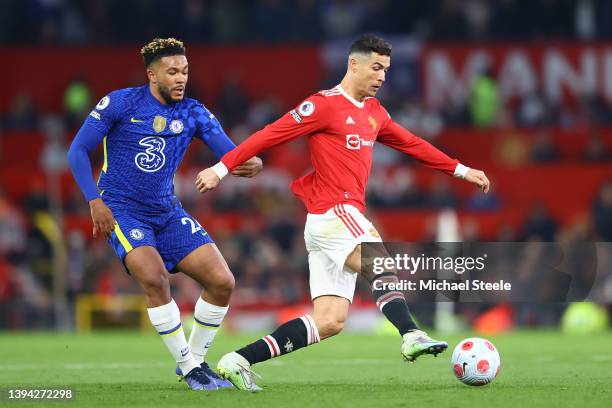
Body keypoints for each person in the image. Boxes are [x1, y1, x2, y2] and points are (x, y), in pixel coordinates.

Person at [196, 34, 491, 392]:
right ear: (354, 64)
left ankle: (238, 360)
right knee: (379, 261)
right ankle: (411, 333)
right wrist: (220, 170)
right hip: (334, 212)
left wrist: (461, 170)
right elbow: (269, 135)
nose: (382, 76)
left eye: (386, 69)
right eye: (376, 67)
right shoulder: (323, 105)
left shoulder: (375, 114)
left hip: (329, 223)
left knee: (330, 321)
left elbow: (414, 144)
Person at [67, 38, 262, 391]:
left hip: (167, 210)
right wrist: (95, 201)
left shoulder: (193, 112)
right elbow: (78, 150)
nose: (180, 78)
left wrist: (249, 162)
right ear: (152, 74)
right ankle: (188, 368)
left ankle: (197, 362)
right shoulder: (120, 102)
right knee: (156, 279)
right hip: (122, 209)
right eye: (172, 71)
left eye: (185, 71)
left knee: (223, 282)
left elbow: (233, 155)